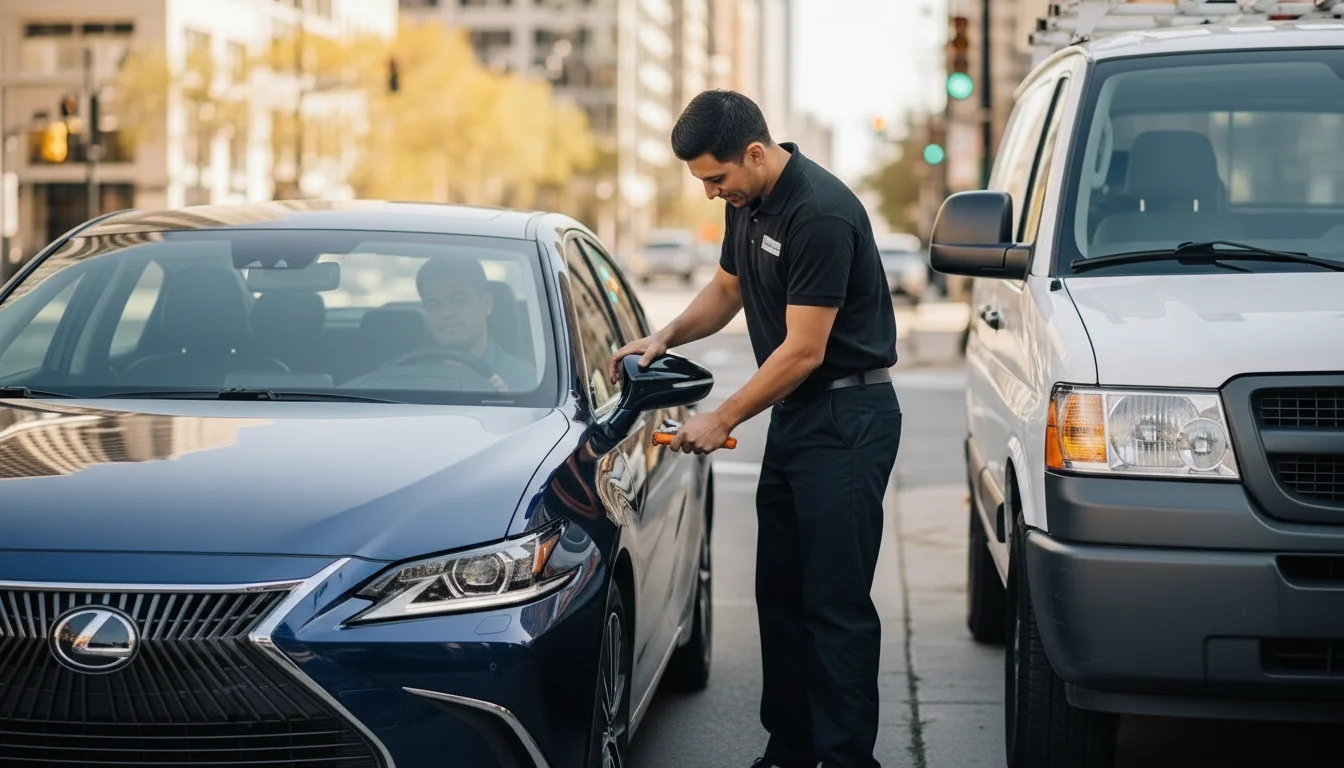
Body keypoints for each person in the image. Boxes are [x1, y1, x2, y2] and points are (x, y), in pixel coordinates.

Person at [607, 90, 902, 768]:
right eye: (703, 183)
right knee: (782, 597)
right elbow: (726, 290)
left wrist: (723, 416)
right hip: (802, 417)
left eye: (717, 178)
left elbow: (804, 350)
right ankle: (791, 750)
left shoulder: (819, 212)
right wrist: (663, 336)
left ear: (757, 153)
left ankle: (849, 759)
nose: (712, 193)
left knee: (834, 606)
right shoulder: (751, 205)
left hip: (848, 418)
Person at [415, 257, 535, 391]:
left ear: (487, 304)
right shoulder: (407, 380)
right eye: (434, 304)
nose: (446, 313)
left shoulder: (528, 384)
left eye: (458, 300)